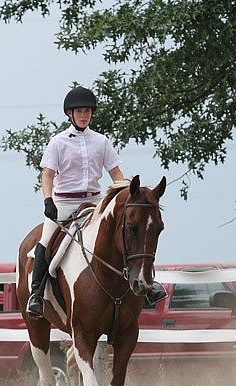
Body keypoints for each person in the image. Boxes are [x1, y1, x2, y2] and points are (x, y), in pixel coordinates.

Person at [26, 86, 166, 318]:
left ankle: (148, 284)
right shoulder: (58, 142)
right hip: (64, 202)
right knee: (46, 239)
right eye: (79, 111)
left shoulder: (101, 141)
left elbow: (116, 174)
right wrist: (48, 199)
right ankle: (36, 294)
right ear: (70, 114)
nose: (84, 115)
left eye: (87, 111)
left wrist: (129, 196)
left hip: (95, 201)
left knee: (129, 233)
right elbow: (48, 175)